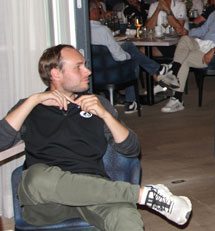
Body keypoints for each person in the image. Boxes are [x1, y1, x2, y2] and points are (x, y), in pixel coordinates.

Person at [0, 45, 192, 230]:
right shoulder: (29, 107)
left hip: (93, 192)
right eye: (79, 67)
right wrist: (33, 101)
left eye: (85, 65)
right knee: (37, 178)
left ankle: (141, 197)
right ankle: (143, 195)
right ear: (55, 73)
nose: (88, 71)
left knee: (125, 215)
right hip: (46, 202)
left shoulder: (97, 103)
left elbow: (131, 150)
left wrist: (105, 115)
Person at [157, 0, 215, 113]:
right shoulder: (213, 14)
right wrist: (187, 32)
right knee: (184, 39)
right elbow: (202, 30)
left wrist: (214, 50)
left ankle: (177, 97)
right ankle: (173, 74)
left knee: (184, 59)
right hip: (202, 44)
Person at [89, 0, 167, 113]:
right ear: (94, 12)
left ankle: (156, 69)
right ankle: (131, 101)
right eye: (99, 9)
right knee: (132, 57)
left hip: (95, 73)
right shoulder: (103, 30)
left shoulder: (82, 29)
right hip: (112, 73)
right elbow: (120, 56)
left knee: (128, 47)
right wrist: (129, 55)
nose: (101, 11)